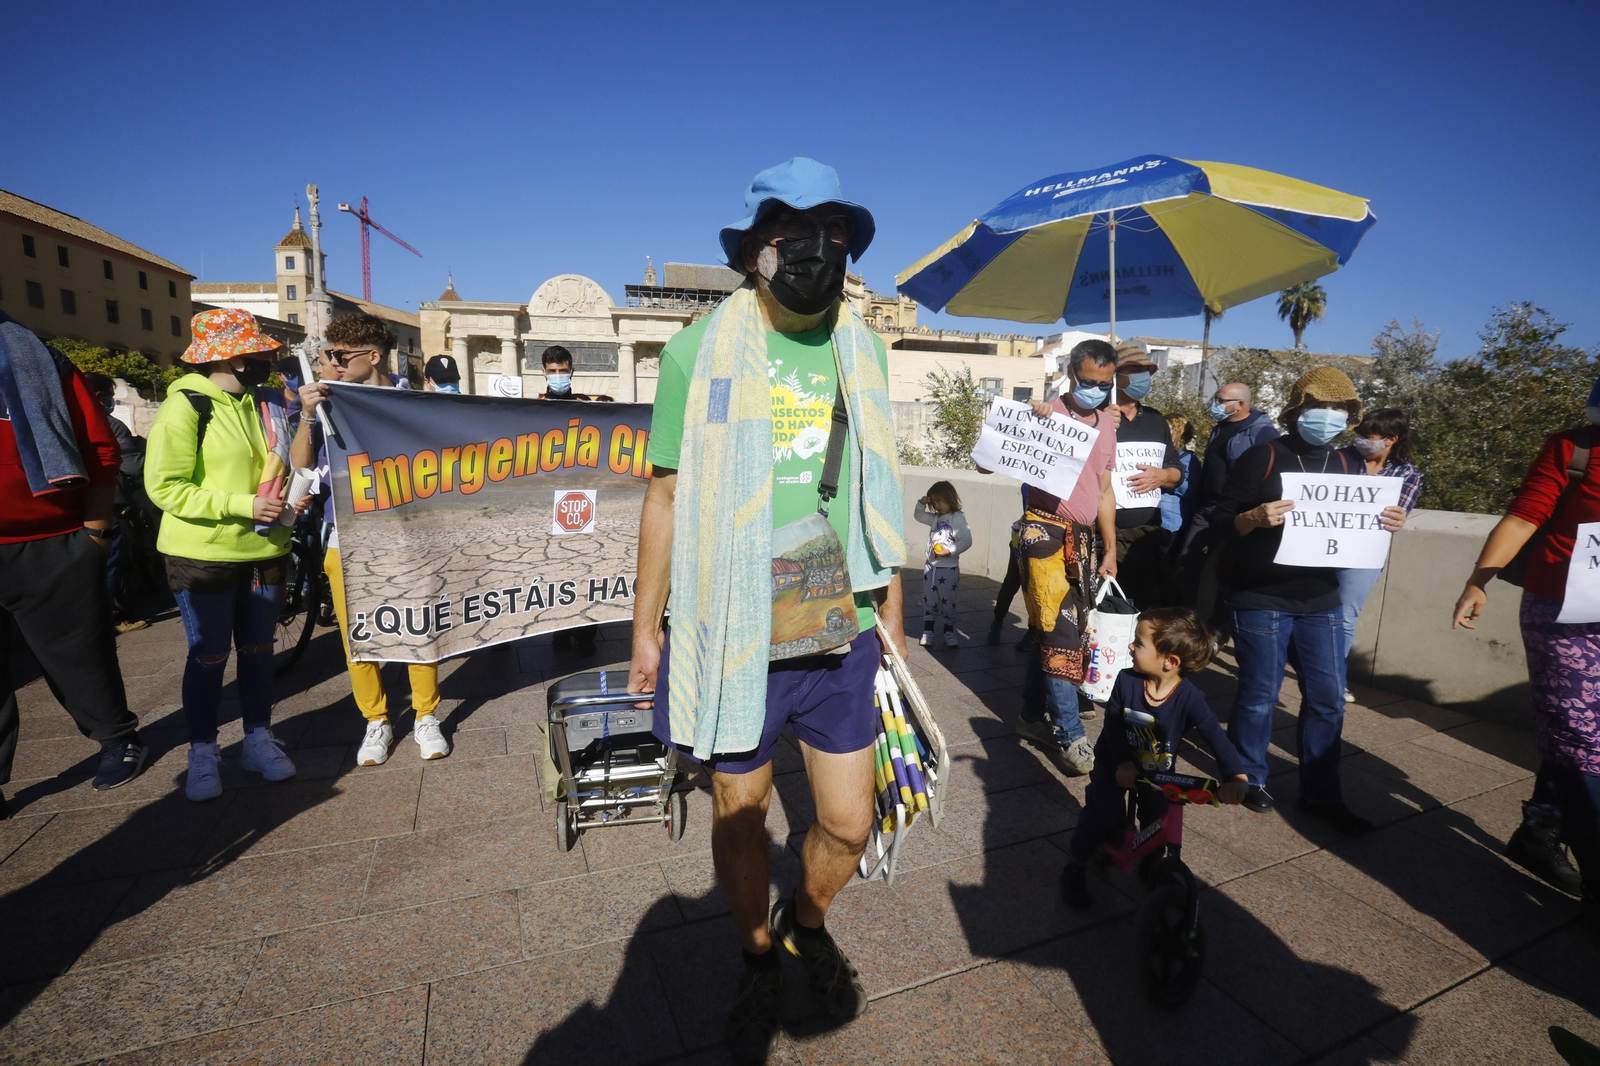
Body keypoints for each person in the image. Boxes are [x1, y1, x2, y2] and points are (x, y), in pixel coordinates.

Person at [628, 158, 904, 1062]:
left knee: (848, 823)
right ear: (755, 253)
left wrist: (891, 615)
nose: (817, 252)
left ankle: (807, 924)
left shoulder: (862, 348)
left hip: (841, 622)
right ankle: (756, 959)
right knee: (741, 813)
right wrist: (645, 629)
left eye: (833, 235)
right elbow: (664, 496)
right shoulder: (692, 350)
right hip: (729, 618)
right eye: (793, 235)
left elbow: (875, 488)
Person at [1212, 367, 1408, 835]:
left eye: (1339, 408)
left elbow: (1356, 528)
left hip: (1322, 599)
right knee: (1260, 695)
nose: (1328, 415)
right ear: (1298, 409)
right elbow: (1220, 520)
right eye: (1319, 405)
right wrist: (1252, 518)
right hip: (1260, 596)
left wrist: (1388, 521)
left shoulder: (1348, 468)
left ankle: (1321, 793)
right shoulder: (1263, 456)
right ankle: (1249, 777)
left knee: (1327, 701)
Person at [1452, 376, 1600, 925]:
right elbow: (1524, 517)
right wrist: (1478, 581)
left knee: (1582, 737)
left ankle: (1542, 824)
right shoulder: (1573, 447)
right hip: (1565, 614)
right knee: (1580, 738)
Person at [144, 309, 301, 801]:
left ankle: (257, 738)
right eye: (257, 351)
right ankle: (203, 751)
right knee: (209, 654)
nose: (267, 358)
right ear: (230, 356)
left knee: (258, 650)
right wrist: (243, 504)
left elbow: (283, 465)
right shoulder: (186, 406)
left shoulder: (264, 403)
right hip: (202, 554)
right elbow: (164, 487)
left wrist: (295, 494)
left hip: (264, 548)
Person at [0, 311, 146, 815]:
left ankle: (117, 740)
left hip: (53, 538)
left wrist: (96, 532)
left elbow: (100, 448)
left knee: (79, 657)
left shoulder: (41, 359)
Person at [292, 313, 451, 766]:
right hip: (347, 538)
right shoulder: (322, 402)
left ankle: (425, 715)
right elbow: (299, 464)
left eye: (339, 356)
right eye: (326, 356)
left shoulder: (416, 402)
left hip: (409, 539)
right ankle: (376, 721)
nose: (330, 365)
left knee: (420, 626)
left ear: (373, 356)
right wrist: (306, 415)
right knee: (358, 636)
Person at [988, 339, 1119, 776]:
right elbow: (989, 462)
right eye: (1088, 381)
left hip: (1082, 542)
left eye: (1104, 383)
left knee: (1054, 631)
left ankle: (1030, 716)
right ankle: (1069, 732)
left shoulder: (1107, 426)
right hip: (1043, 533)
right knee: (1061, 633)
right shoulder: (1045, 414)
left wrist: (1110, 547)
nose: (1095, 389)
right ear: (1070, 372)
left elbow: (1103, 491)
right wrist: (1031, 417)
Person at [1060, 607, 1249, 908]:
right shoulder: (1127, 681)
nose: (1131, 646)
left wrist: (1236, 776)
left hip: (1157, 770)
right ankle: (1075, 865)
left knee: (1157, 816)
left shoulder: (1188, 697)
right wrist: (1123, 763)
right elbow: (1113, 726)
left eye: (1139, 642)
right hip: (1116, 762)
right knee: (1101, 810)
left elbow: (1215, 735)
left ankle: (1151, 864)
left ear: (1170, 661)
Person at [1337, 408, 1424, 697]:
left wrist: (1399, 518)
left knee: (1346, 617)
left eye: (1369, 437)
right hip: (1325, 547)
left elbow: (1400, 512)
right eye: (1360, 435)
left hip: (1364, 555)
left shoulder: (1407, 473)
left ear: (1391, 440)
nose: (1362, 441)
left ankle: (1334, 681)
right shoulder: (1340, 459)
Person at [1177, 381, 1280, 622]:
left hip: (1236, 513)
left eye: (1221, 400)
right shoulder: (1219, 427)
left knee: (1224, 572)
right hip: (1207, 509)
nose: (1215, 404)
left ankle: (1217, 629)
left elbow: (1272, 472)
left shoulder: (1263, 432)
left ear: (1241, 404)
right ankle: (1185, 623)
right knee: (1186, 563)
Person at [1106, 345, 1183, 608]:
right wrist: (1101, 425)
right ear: (1116, 376)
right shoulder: (1097, 417)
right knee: (1105, 612)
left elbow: (1176, 472)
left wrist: (1163, 475)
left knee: (1148, 611)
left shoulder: (1155, 420)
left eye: (1147, 371)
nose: (1144, 377)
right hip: (1103, 538)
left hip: (1146, 539)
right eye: (1136, 370)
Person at [84, 372, 149, 634]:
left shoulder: (65, 419)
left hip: (75, 503)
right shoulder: (109, 424)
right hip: (108, 502)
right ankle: (111, 618)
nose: (111, 401)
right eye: (109, 396)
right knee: (111, 563)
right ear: (99, 396)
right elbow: (133, 466)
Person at [914, 480, 972, 648]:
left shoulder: (957, 518)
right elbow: (919, 516)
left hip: (949, 569)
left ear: (949, 498)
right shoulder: (935, 519)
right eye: (934, 502)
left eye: (940, 501)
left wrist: (950, 551)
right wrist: (921, 503)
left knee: (948, 601)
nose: (937, 505)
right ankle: (928, 631)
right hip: (931, 567)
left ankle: (949, 631)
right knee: (929, 600)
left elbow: (967, 540)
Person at [985, 485, 1030, 649]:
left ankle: (1031, 634)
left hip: (1037, 541)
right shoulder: (1029, 486)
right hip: (1024, 542)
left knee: (1033, 592)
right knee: (1011, 585)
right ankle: (997, 622)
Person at [1160, 414, 1202, 540]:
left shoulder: (1189, 459)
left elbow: (1190, 490)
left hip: (1172, 522)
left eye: (1169, 429)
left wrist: (1166, 479)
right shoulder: (1159, 455)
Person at [536, 344, 613, 402]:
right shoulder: (535, 407)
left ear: (571, 371)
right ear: (544, 372)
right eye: (552, 371)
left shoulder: (585, 405)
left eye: (563, 371)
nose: (558, 375)